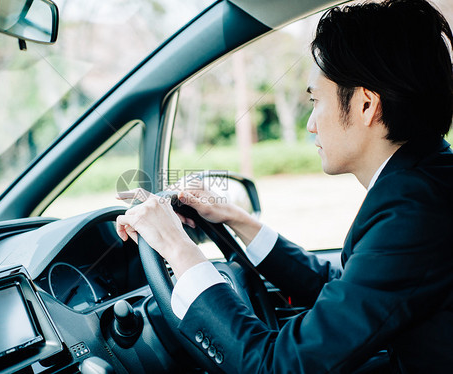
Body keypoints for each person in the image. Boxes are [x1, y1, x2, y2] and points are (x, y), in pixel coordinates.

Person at [115, 0, 453, 372]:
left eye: (315, 100)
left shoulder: (414, 213)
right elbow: (350, 294)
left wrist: (179, 251)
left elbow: (277, 367)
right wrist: (238, 220)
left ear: (366, 105)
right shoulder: (427, 182)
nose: (311, 124)